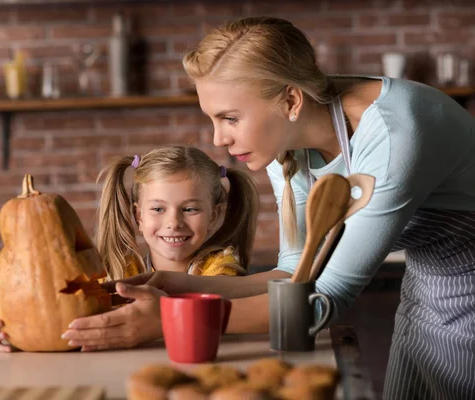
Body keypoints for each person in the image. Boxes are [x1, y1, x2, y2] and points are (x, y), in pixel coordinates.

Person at [62, 17, 475, 400]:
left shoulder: (393, 134)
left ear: (291, 100)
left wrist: (170, 319)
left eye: (230, 118)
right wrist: (176, 287)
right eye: (212, 119)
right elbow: (295, 275)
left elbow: (320, 302)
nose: (219, 138)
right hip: (425, 294)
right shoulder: (285, 140)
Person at [0, 145, 260, 352]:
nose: (173, 223)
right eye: (158, 208)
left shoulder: (221, 270)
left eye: (190, 209)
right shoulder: (120, 272)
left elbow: (207, 320)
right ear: (138, 216)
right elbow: (58, 319)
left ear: (216, 215)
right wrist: (5, 324)